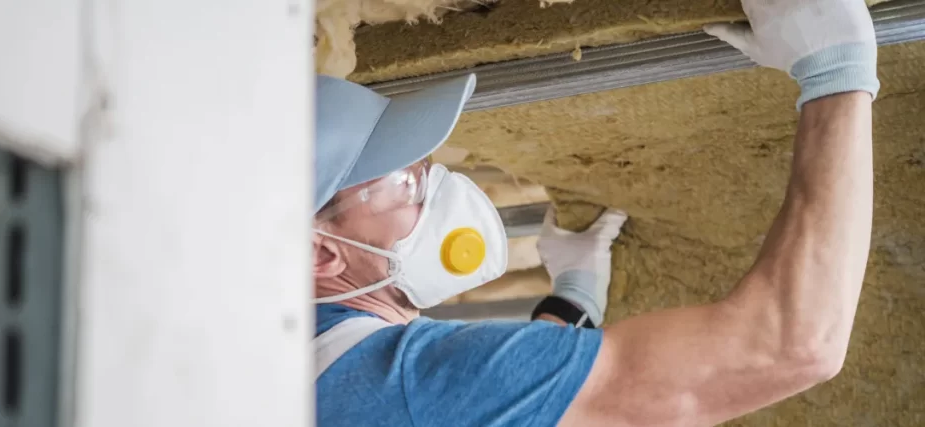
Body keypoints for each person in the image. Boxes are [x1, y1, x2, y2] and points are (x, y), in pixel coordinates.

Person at [312, 0, 878, 424]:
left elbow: (491, 395)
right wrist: (836, 76)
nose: (435, 184)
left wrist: (572, 299)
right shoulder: (410, 383)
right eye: (405, 181)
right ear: (320, 252)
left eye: (424, 162)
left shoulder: (311, 362)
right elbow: (788, 346)